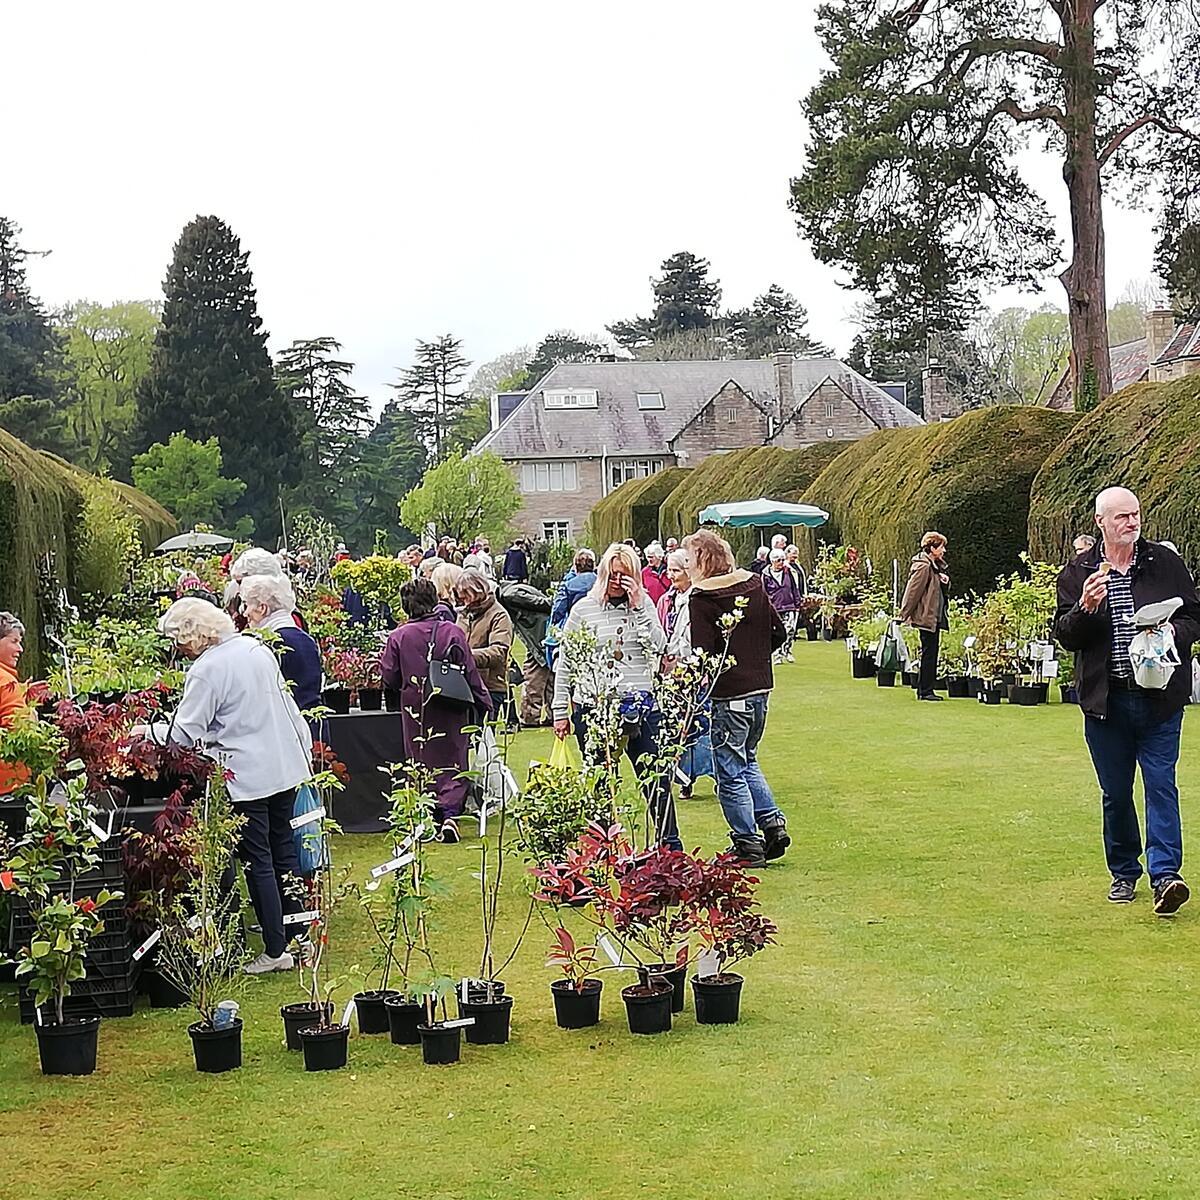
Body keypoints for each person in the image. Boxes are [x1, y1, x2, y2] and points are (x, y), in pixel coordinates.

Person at [1055, 486, 1200, 914]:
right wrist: (1084, 607)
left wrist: (1174, 632)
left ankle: (1166, 876)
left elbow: (1195, 615)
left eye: (1135, 514)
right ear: (1101, 522)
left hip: (1159, 700)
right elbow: (1065, 635)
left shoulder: (1164, 563)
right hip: (1107, 703)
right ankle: (1123, 872)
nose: (1132, 522)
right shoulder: (1079, 571)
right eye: (1122, 517)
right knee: (1116, 793)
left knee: (1161, 786)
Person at [154, 598, 313, 975]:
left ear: (191, 636)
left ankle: (275, 950)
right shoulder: (254, 646)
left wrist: (150, 731)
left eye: (177, 641)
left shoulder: (208, 668)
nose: (176, 649)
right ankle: (299, 933)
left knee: (258, 859)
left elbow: (183, 733)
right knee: (283, 851)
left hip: (247, 773)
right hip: (283, 762)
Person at [552, 543, 679, 851]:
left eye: (625, 575)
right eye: (612, 574)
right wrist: (560, 709)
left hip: (641, 703)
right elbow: (566, 661)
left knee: (655, 778)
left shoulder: (644, 604)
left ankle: (671, 848)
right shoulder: (584, 608)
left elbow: (662, 647)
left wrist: (638, 605)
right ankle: (602, 849)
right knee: (599, 779)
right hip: (595, 707)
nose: (618, 581)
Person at [684, 530, 788, 867]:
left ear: (702, 561)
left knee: (728, 769)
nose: (686, 568)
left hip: (730, 693)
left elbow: (702, 653)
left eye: (689, 561)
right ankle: (771, 824)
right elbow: (779, 631)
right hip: (760, 689)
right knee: (747, 759)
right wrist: (756, 660)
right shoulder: (754, 584)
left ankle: (747, 842)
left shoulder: (703, 598)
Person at [380, 579, 492, 842]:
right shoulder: (452, 632)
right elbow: (470, 671)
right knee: (453, 758)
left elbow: (390, 676)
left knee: (421, 757)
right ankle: (451, 814)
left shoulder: (398, 636)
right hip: (451, 704)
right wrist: (484, 702)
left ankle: (427, 816)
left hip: (416, 707)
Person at [239, 574, 323, 731]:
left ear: (262, 608)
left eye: (246, 605)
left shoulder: (268, 644)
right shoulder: (306, 639)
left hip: (287, 729)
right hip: (314, 725)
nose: (244, 613)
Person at [455, 568, 515, 719]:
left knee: (483, 737)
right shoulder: (463, 614)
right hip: (463, 685)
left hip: (489, 687)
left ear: (477, 591)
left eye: (466, 595)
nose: (464, 600)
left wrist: (466, 656)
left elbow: (499, 652)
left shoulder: (498, 615)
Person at [899, 532, 950, 702]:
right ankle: (925, 690)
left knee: (930, 652)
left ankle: (925, 689)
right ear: (932, 548)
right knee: (929, 652)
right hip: (926, 617)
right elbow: (913, 591)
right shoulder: (924, 566)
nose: (944, 550)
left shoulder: (933, 566)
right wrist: (903, 614)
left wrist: (943, 580)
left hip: (931, 616)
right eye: (941, 547)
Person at [497, 580, 555, 726]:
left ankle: (530, 717)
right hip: (544, 634)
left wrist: (552, 602)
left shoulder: (509, 595)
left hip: (539, 636)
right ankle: (551, 714)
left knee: (533, 676)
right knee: (549, 677)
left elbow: (542, 603)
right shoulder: (512, 591)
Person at [0, 612, 30, 795]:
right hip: (9, 785)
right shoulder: (6, 684)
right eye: (14, 641)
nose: (20, 649)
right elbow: (19, 732)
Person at [762, 548, 801, 664]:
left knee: (790, 630)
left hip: (789, 605)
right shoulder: (766, 575)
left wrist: (797, 602)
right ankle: (777, 654)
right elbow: (763, 591)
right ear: (772, 561)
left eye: (783, 560)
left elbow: (794, 588)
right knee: (778, 632)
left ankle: (787, 651)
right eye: (779, 560)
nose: (781, 563)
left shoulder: (788, 572)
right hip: (774, 607)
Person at [550, 549, 597, 628]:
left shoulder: (568, 585)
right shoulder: (601, 582)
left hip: (576, 622)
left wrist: (554, 622)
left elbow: (558, 608)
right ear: (593, 565)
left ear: (576, 566)